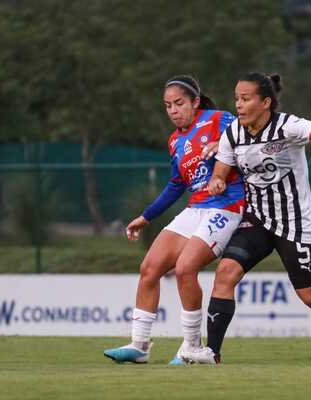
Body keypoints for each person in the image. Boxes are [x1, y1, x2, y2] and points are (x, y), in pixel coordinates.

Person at [179, 72, 311, 365]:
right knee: (225, 273)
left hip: (295, 223)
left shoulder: (288, 126)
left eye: (246, 98)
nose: (238, 104)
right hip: (258, 221)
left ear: (265, 102)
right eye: (237, 98)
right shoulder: (232, 135)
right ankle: (212, 353)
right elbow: (220, 174)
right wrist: (217, 182)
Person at [103, 75, 245, 364]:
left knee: (185, 268)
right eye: (167, 106)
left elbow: (248, 135)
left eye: (179, 103)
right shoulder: (175, 140)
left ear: (195, 101)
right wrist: (145, 216)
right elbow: (176, 184)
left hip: (227, 206)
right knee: (149, 268)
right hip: (196, 208)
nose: (173, 110)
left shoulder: (218, 119)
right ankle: (139, 345)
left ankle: (192, 346)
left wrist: (222, 143)